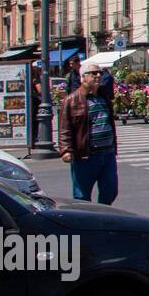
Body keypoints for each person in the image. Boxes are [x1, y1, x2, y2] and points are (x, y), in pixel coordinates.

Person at [57, 63, 118, 205]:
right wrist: (66, 150)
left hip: (107, 153)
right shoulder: (72, 100)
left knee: (110, 190)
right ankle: (85, 222)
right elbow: (65, 128)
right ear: (83, 77)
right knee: (82, 195)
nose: (98, 76)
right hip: (85, 155)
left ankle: (103, 217)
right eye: (93, 73)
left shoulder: (104, 96)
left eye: (99, 73)